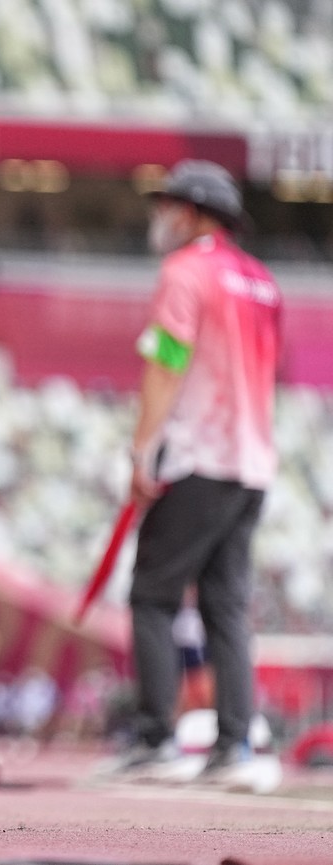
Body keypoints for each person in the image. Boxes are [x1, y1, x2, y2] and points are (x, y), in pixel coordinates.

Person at [110, 159, 281, 793]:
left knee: (152, 596)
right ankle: (234, 744)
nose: (159, 217)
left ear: (191, 212)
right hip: (252, 463)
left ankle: (158, 739)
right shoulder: (261, 280)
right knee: (226, 606)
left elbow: (168, 363)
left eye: (167, 206)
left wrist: (142, 450)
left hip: (199, 457)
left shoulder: (186, 272)